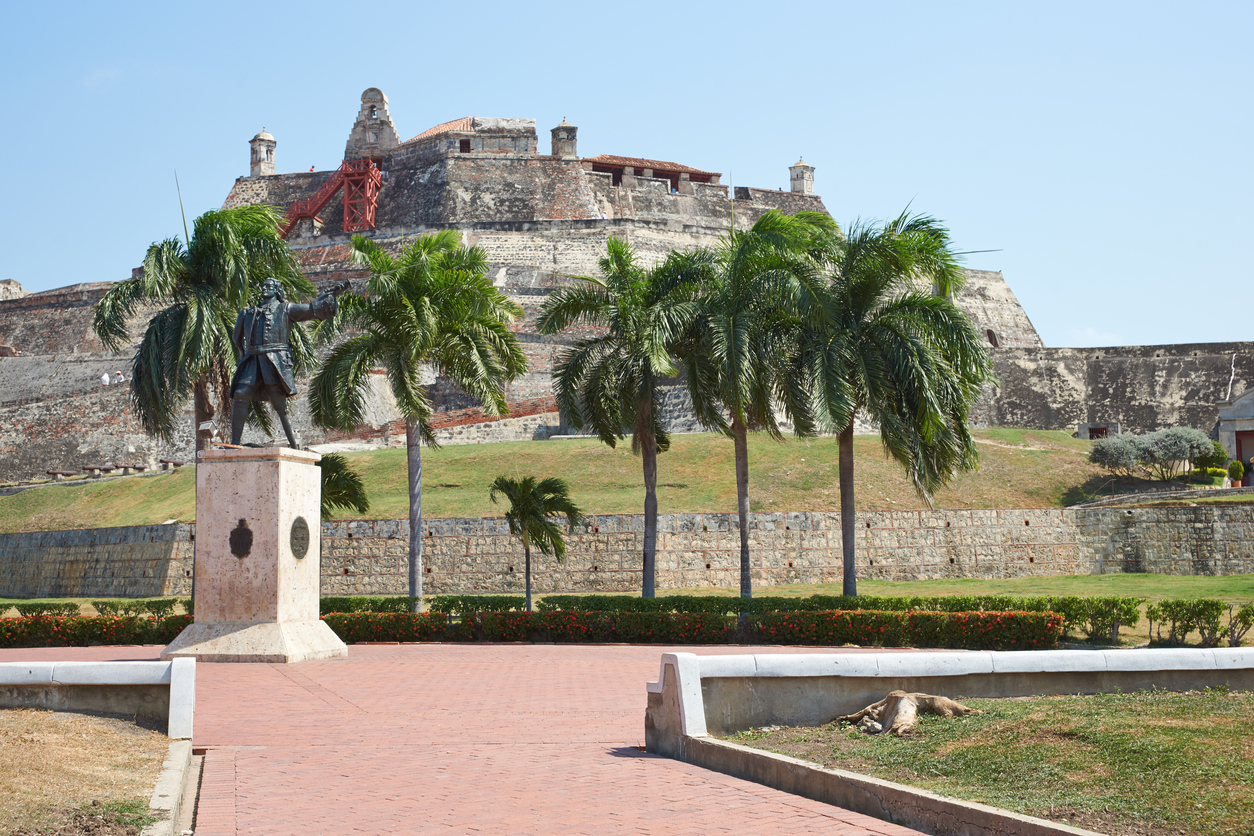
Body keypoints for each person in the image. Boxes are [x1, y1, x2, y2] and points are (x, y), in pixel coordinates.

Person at [229, 277, 347, 447]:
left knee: (278, 402)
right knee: (240, 394)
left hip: (274, 361)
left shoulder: (286, 309)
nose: (264, 288)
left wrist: (331, 294)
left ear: (277, 290)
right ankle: (234, 444)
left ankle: (292, 444)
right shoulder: (247, 312)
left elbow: (311, 309)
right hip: (252, 360)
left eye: (269, 286)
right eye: (263, 285)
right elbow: (236, 338)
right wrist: (242, 354)